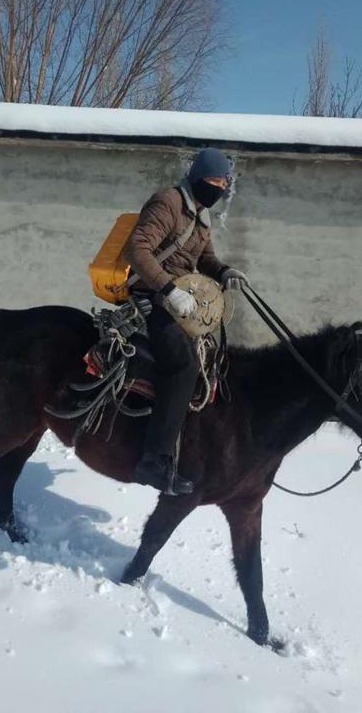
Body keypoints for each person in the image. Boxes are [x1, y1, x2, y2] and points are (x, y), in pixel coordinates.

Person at [124, 147, 249, 495]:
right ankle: (153, 460)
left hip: (181, 295)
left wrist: (224, 271)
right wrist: (166, 289)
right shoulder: (168, 203)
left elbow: (205, 258)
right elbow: (138, 249)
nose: (220, 187)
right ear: (197, 178)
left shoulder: (202, 215)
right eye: (214, 180)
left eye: (224, 183)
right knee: (183, 363)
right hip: (150, 292)